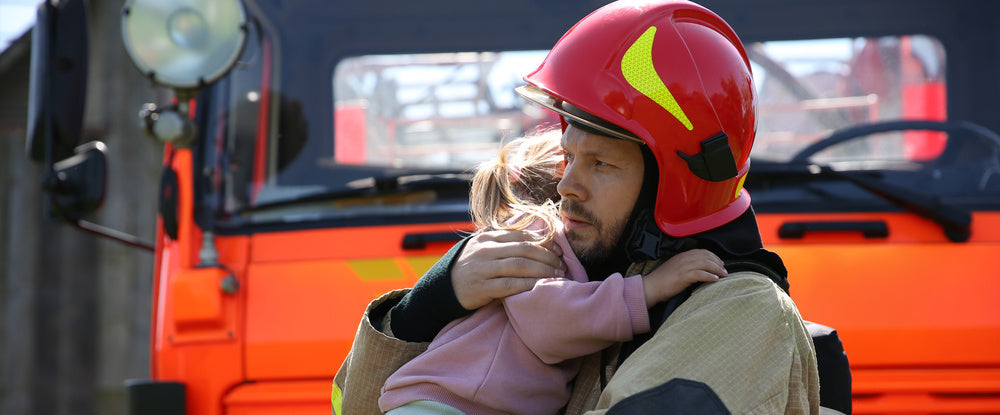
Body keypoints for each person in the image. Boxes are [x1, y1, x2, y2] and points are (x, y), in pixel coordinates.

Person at [334, 0, 821, 414]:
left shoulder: (739, 310)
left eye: (601, 164)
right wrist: (426, 308)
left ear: (671, 183)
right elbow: (355, 405)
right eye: (568, 156)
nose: (567, 185)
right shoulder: (586, 274)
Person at [379, 132, 728, 415]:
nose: (573, 186)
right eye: (573, 163)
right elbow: (551, 320)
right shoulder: (536, 231)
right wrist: (649, 288)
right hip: (447, 407)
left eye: (600, 165)